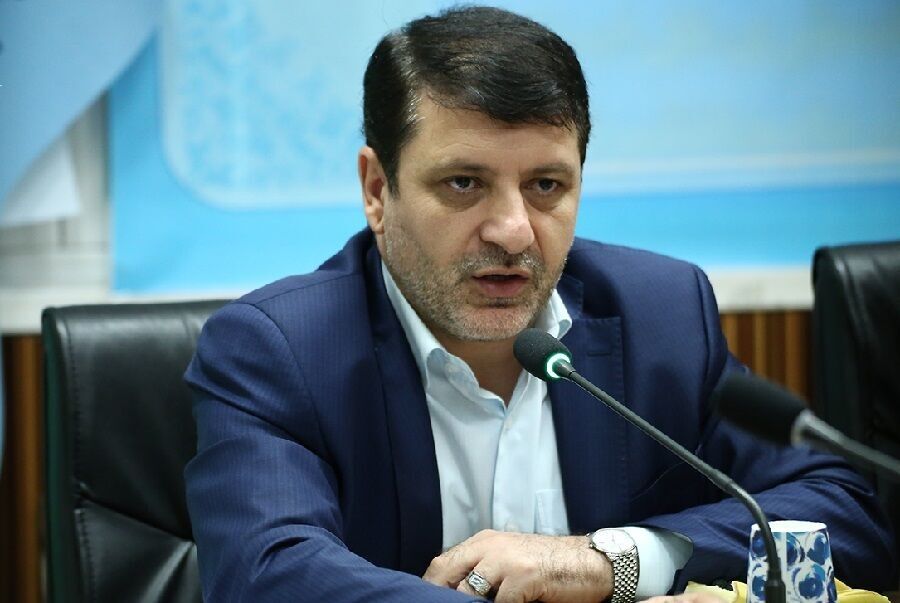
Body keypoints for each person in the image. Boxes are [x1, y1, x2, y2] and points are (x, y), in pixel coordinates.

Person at [184, 6, 897, 602]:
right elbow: (266, 574)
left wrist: (608, 561)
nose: (514, 230)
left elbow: (841, 515)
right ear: (377, 189)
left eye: (546, 186)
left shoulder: (661, 316)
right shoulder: (280, 350)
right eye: (464, 183)